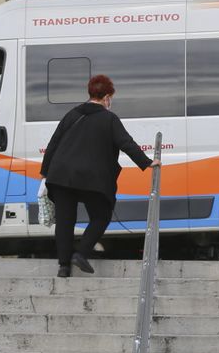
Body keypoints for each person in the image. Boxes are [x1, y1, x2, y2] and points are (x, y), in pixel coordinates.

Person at [40, 74, 152, 279]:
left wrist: (45, 174)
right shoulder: (109, 119)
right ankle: (81, 254)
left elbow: (53, 144)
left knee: (65, 221)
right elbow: (126, 143)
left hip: (61, 176)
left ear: (90, 93)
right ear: (107, 97)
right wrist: (147, 162)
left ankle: (64, 267)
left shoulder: (72, 114)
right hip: (92, 179)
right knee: (101, 216)